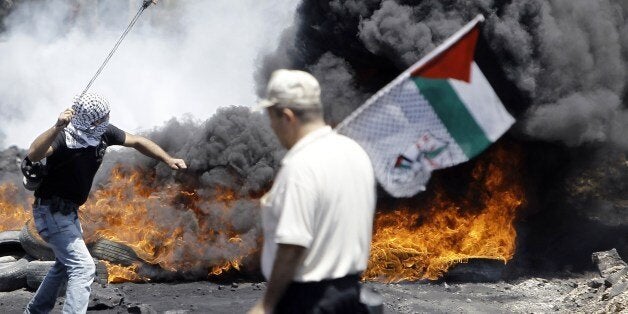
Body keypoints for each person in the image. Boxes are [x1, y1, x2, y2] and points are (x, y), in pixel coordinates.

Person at [24, 92, 187, 314]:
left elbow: (138, 141)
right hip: (51, 212)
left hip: (68, 213)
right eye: (103, 116)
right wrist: (56, 127)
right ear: (91, 119)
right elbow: (34, 154)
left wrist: (168, 159)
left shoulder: (102, 133)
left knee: (64, 265)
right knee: (83, 268)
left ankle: (34, 312)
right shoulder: (64, 138)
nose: (107, 119)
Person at [249, 69, 376, 313]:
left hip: (308, 301)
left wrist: (266, 305)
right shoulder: (355, 152)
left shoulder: (300, 166)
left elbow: (293, 245)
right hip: (351, 296)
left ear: (287, 116)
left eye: (272, 119)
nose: (272, 128)